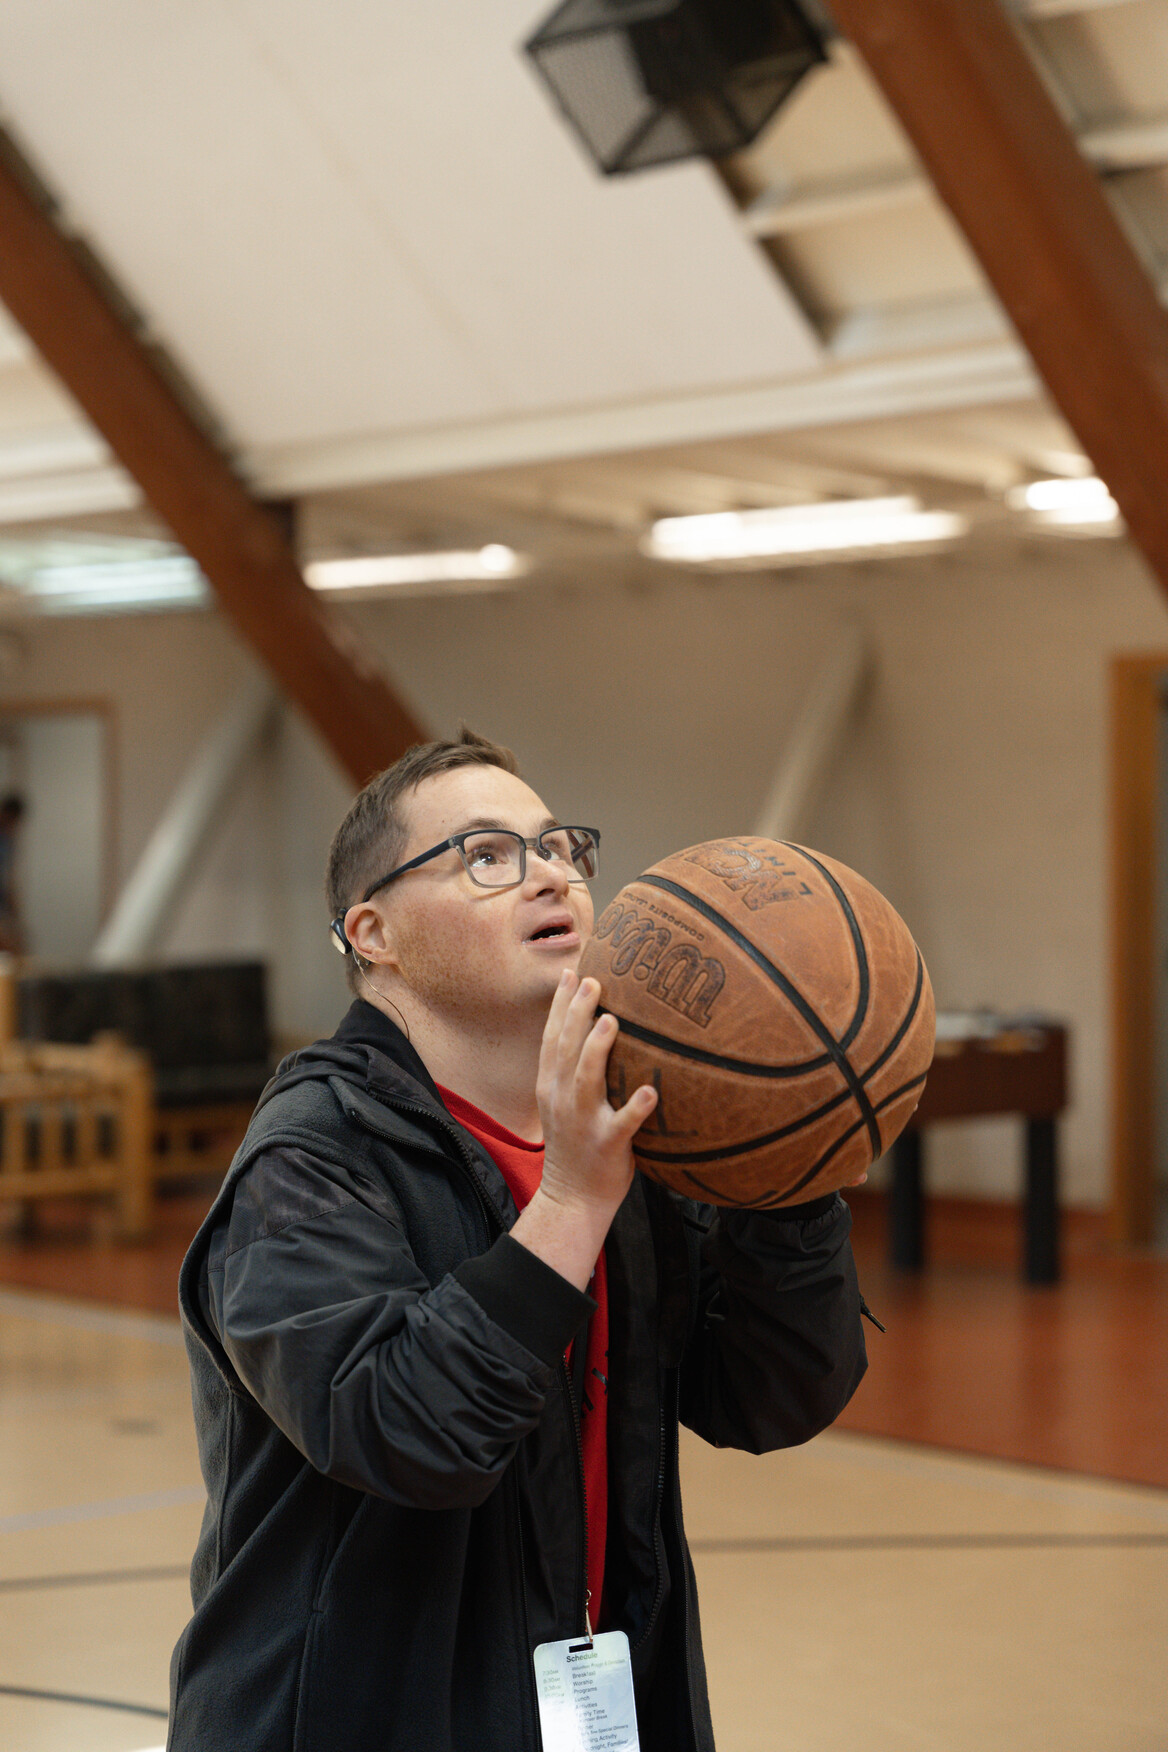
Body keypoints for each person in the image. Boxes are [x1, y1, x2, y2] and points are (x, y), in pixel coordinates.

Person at [169, 728, 871, 1752]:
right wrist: (570, 1208)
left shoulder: (620, 1128)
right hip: (342, 1715)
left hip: (574, 1701)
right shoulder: (308, 1158)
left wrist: (793, 1179)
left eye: (556, 846)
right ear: (374, 932)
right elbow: (406, 1433)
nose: (546, 873)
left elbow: (767, 1397)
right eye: (486, 856)